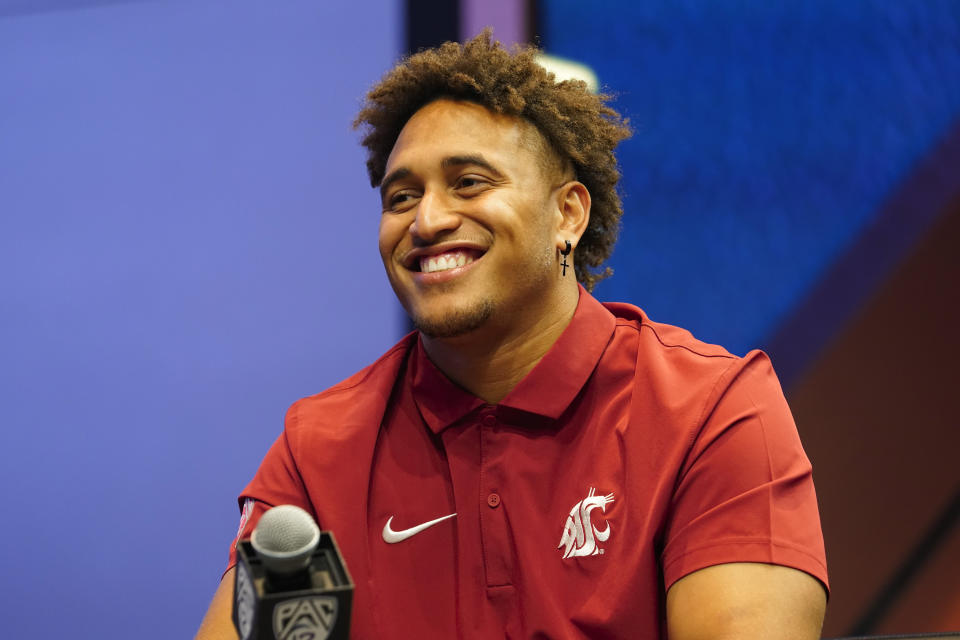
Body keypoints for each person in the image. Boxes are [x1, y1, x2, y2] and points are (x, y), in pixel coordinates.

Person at [197, 31, 828, 639]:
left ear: (567, 215)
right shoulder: (318, 451)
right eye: (400, 196)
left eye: (468, 182)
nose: (427, 220)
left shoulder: (711, 410)